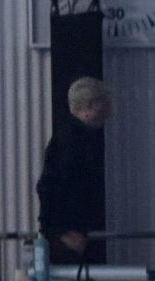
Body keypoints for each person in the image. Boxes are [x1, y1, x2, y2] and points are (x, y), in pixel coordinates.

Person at [36, 77, 110, 264]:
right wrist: (60, 232)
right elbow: (50, 186)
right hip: (69, 237)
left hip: (71, 233)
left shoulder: (70, 138)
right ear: (90, 106)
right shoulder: (72, 141)